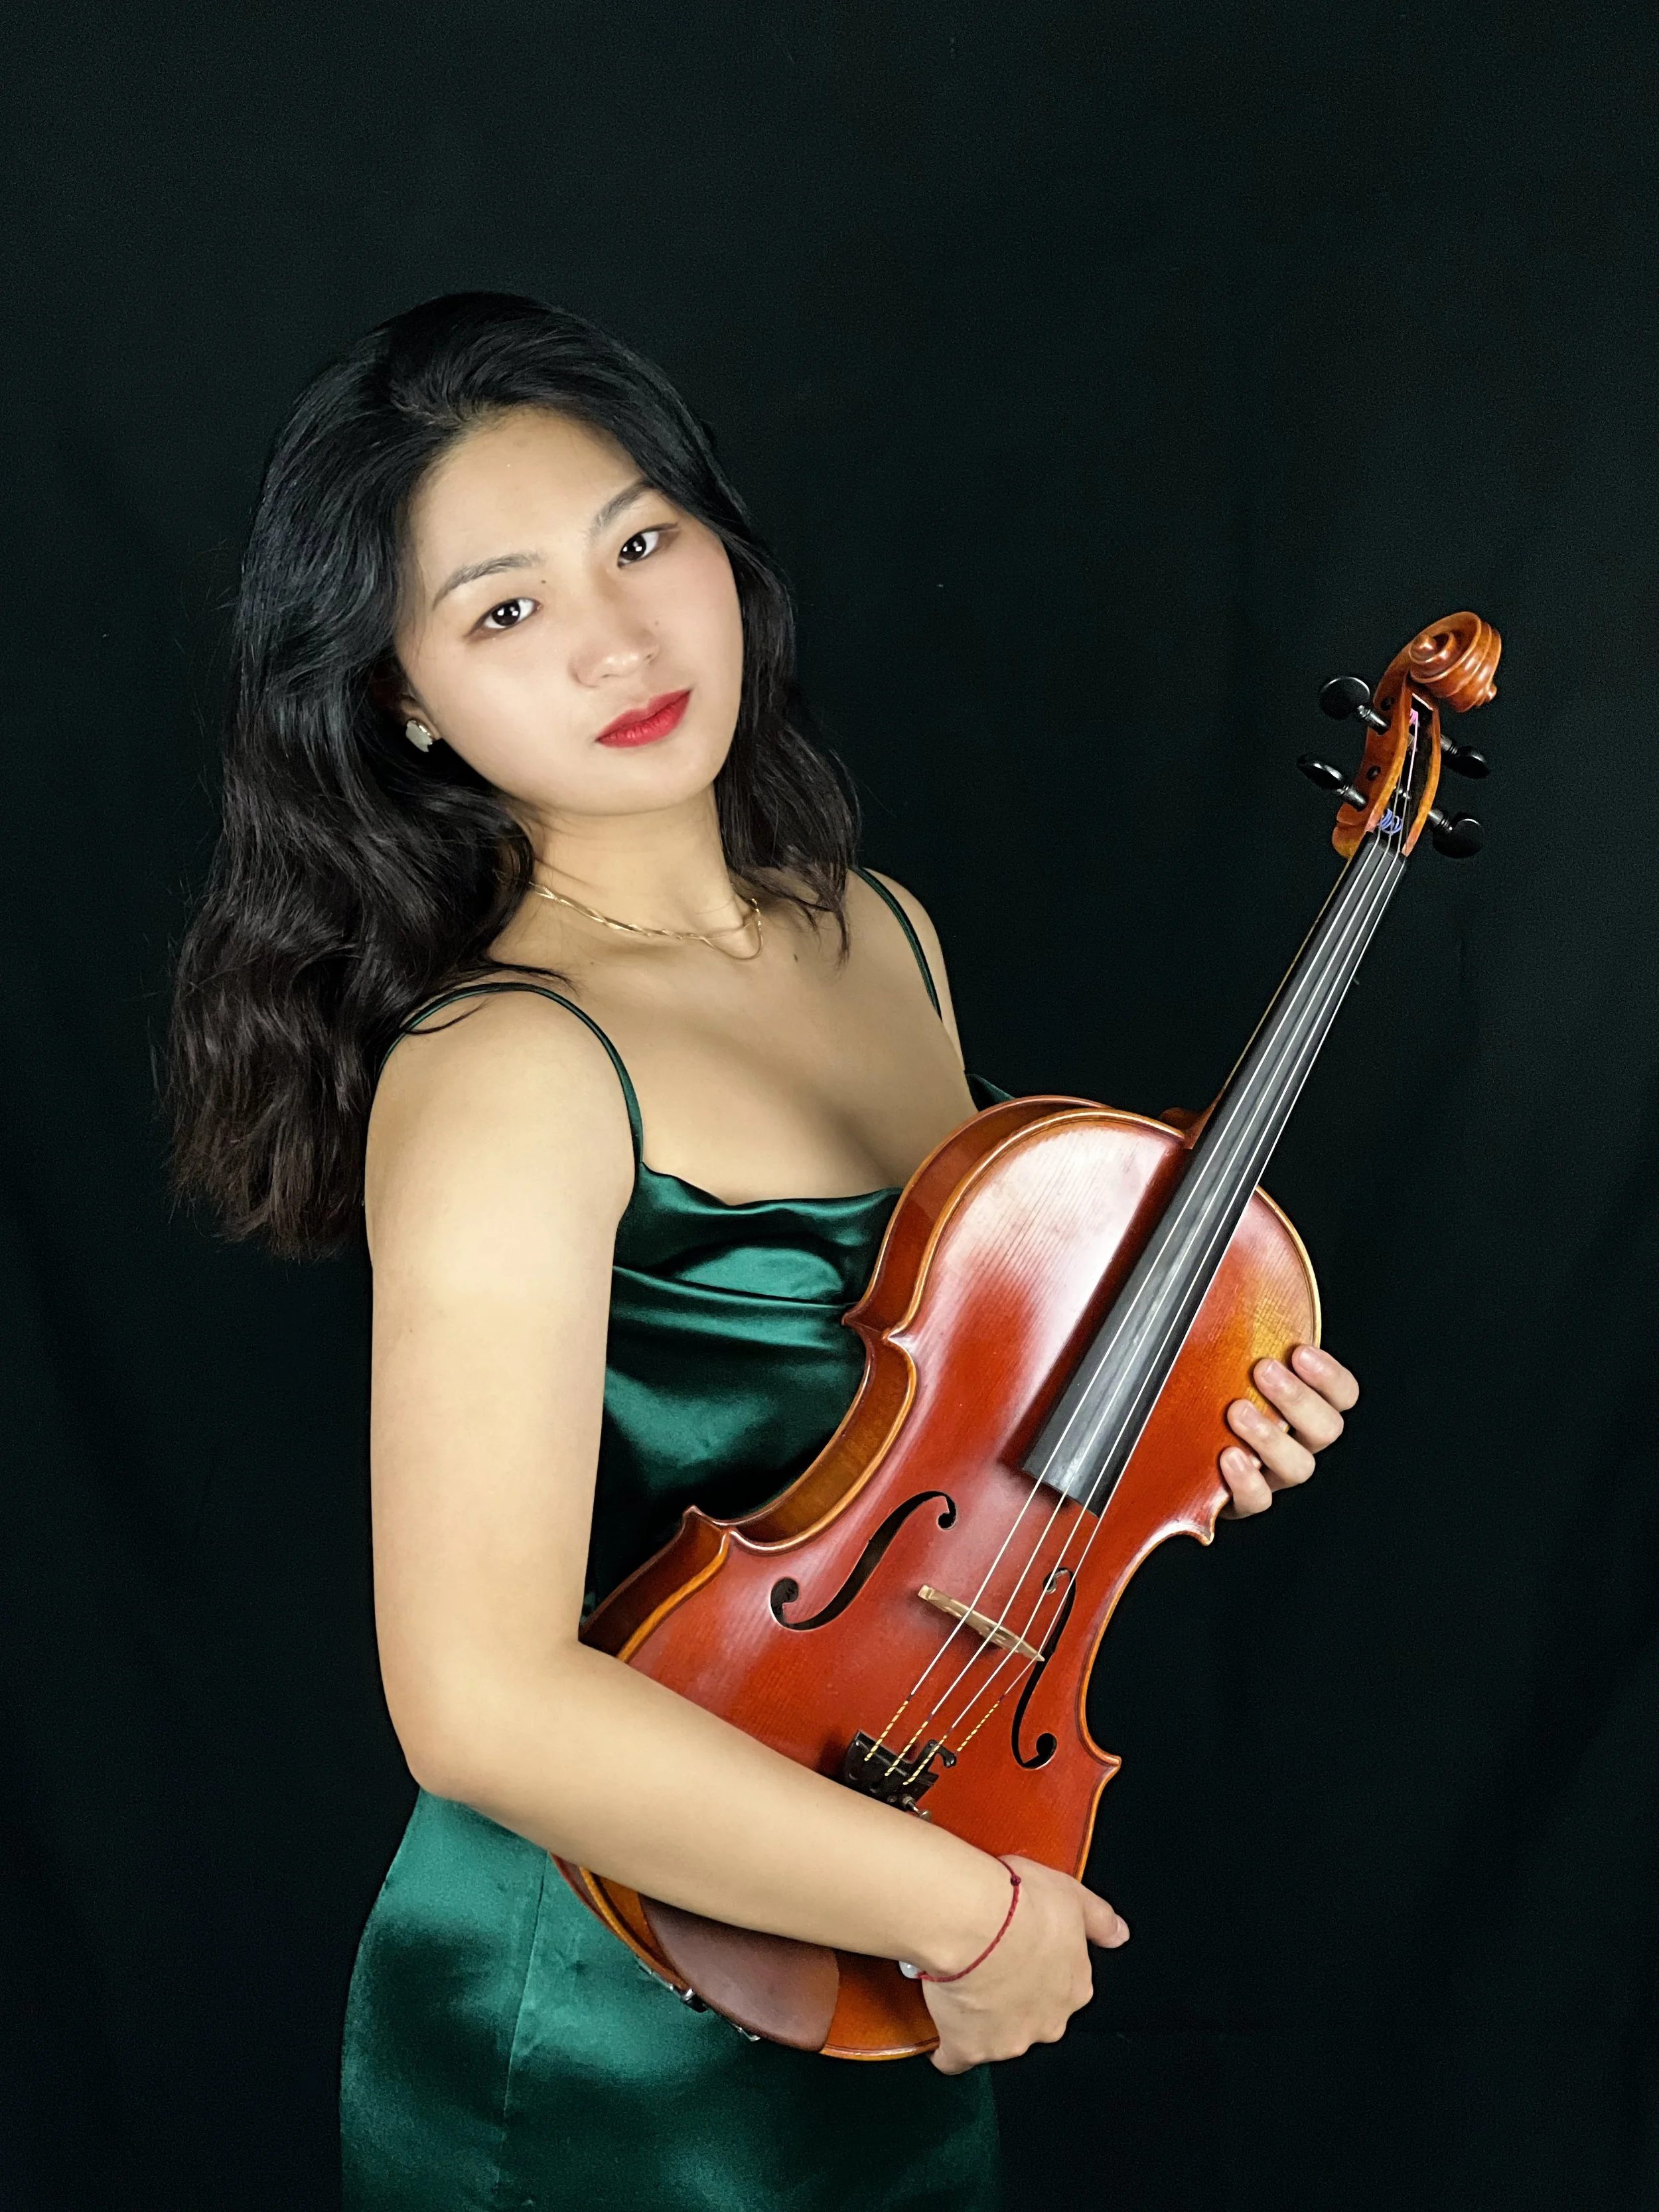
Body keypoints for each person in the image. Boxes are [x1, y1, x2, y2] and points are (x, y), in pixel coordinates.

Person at [167, 292, 1358, 2212]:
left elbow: (925, 1449)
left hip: (871, 1915)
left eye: (641, 540)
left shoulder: (873, 932)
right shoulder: (507, 1067)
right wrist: (970, 1914)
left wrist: (1183, 1422)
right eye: (503, 610)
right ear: (399, 697)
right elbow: (475, 1697)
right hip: (606, 2004)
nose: (619, 639)